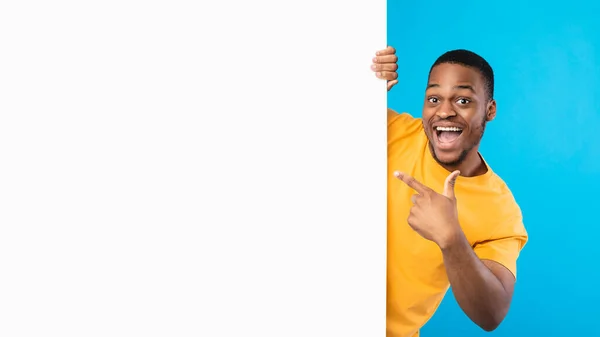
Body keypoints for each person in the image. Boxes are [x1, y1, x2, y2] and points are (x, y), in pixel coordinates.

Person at [372, 46, 528, 337]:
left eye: (463, 100)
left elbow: (491, 314)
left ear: (489, 110)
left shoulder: (501, 210)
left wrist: (451, 238)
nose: (444, 111)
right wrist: (362, 77)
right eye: (434, 98)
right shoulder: (390, 129)